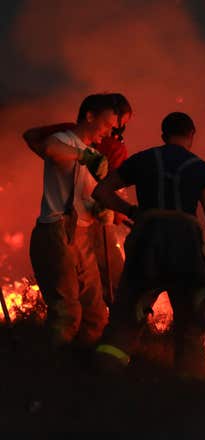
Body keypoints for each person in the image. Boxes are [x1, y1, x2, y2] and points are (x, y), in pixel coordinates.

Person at [91, 112, 205, 377]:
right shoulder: (200, 168)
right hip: (186, 250)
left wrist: (134, 212)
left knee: (125, 316)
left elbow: (100, 192)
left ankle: (103, 377)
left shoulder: (143, 159)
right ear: (191, 135)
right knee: (191, 324)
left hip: (145, 244)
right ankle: (186, 390)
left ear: (163, 135)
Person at [25, 93, 118, 349]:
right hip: (57, 231)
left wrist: (100, 209)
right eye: (107, 125)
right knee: (67, 314)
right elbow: (50, 150)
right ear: (89, 116)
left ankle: (82, 373)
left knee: (96, 315)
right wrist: (86, 158)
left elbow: (85, 198)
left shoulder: (94, 155)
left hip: (84, 236)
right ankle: (54, 370)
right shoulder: (63, 141)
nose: (109, 132)